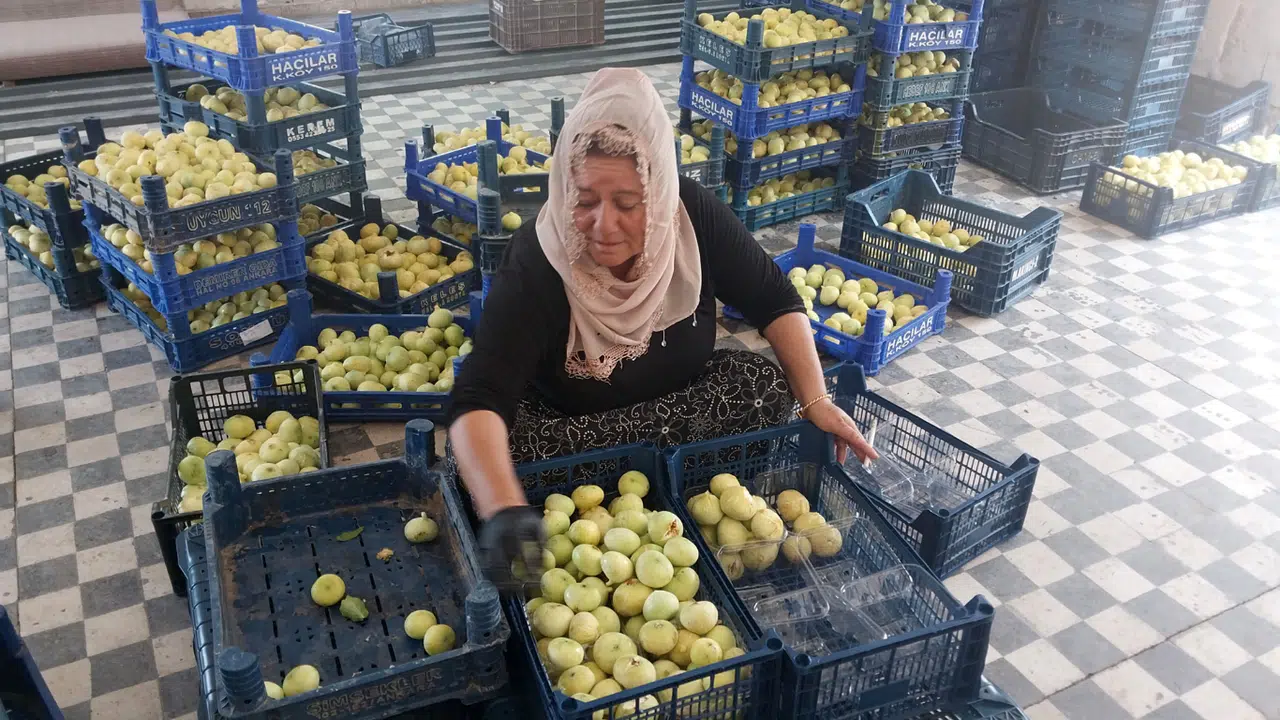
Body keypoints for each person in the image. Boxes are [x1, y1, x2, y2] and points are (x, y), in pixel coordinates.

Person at [447, 68, 876, 578]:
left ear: (659, 190)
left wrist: (817, 399)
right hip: (577, 428)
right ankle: (654, 483)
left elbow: (773, 298)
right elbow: (479, 394)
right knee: (484, 460)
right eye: (584, 201)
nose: (603, 227)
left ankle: (672, 484)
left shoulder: (690, 216)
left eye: (627, 204)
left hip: (679, 409)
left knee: (761, 385)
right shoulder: (539, 261)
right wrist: (502, 506)